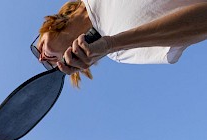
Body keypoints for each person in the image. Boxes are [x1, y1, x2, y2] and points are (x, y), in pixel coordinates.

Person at [33, 0, 207, 87]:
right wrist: (113, 44)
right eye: (51, 66)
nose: (41, 59)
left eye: (36, 50)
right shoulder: (120, 52)